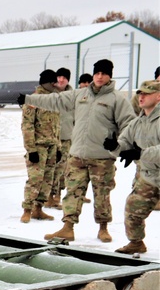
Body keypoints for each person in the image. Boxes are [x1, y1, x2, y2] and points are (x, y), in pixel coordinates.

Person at [19, 59, 136, 243]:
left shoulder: (117, 99)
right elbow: (54, 100)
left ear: (109, 76)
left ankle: (103, 228)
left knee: (102, 195)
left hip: (102, 158)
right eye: (97, 73)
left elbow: (129, 124)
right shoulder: (80, 95)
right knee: (72, 193)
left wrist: (119, 144)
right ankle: (68, 227)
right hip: (77, 155)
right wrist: (28, 99)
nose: (99, 76)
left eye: (104, 73)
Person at [113, 80, 160, 254]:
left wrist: (140, 153)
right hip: (149, 176)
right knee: (133, 208)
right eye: (140, 93)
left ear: (158, 96)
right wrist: (114, 146)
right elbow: (124, 142)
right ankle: (136, 243)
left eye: (147, 93)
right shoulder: (138, 122)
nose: (142, 97)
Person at [19, 69, 60, 223]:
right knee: (35, 179)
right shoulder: (33, 100)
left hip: (52, 146)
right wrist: (31, 149)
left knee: (48, 179)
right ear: (47, 83)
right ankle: (27, 210)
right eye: (53, 82)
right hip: (38, 147)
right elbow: (27, 126)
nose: (56, 85)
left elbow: (57, 125)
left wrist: (59, 147)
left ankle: (38, 209)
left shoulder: (54, 100)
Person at [45, 67, 73, 209]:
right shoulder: (50, 93)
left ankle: (57, 197)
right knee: (51, 169)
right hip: (51, 138)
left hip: (67, 137)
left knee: (63, 169)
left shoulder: (73, 95)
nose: (61, 80)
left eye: (64, 77)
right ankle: (48, 197)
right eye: (59, 77)